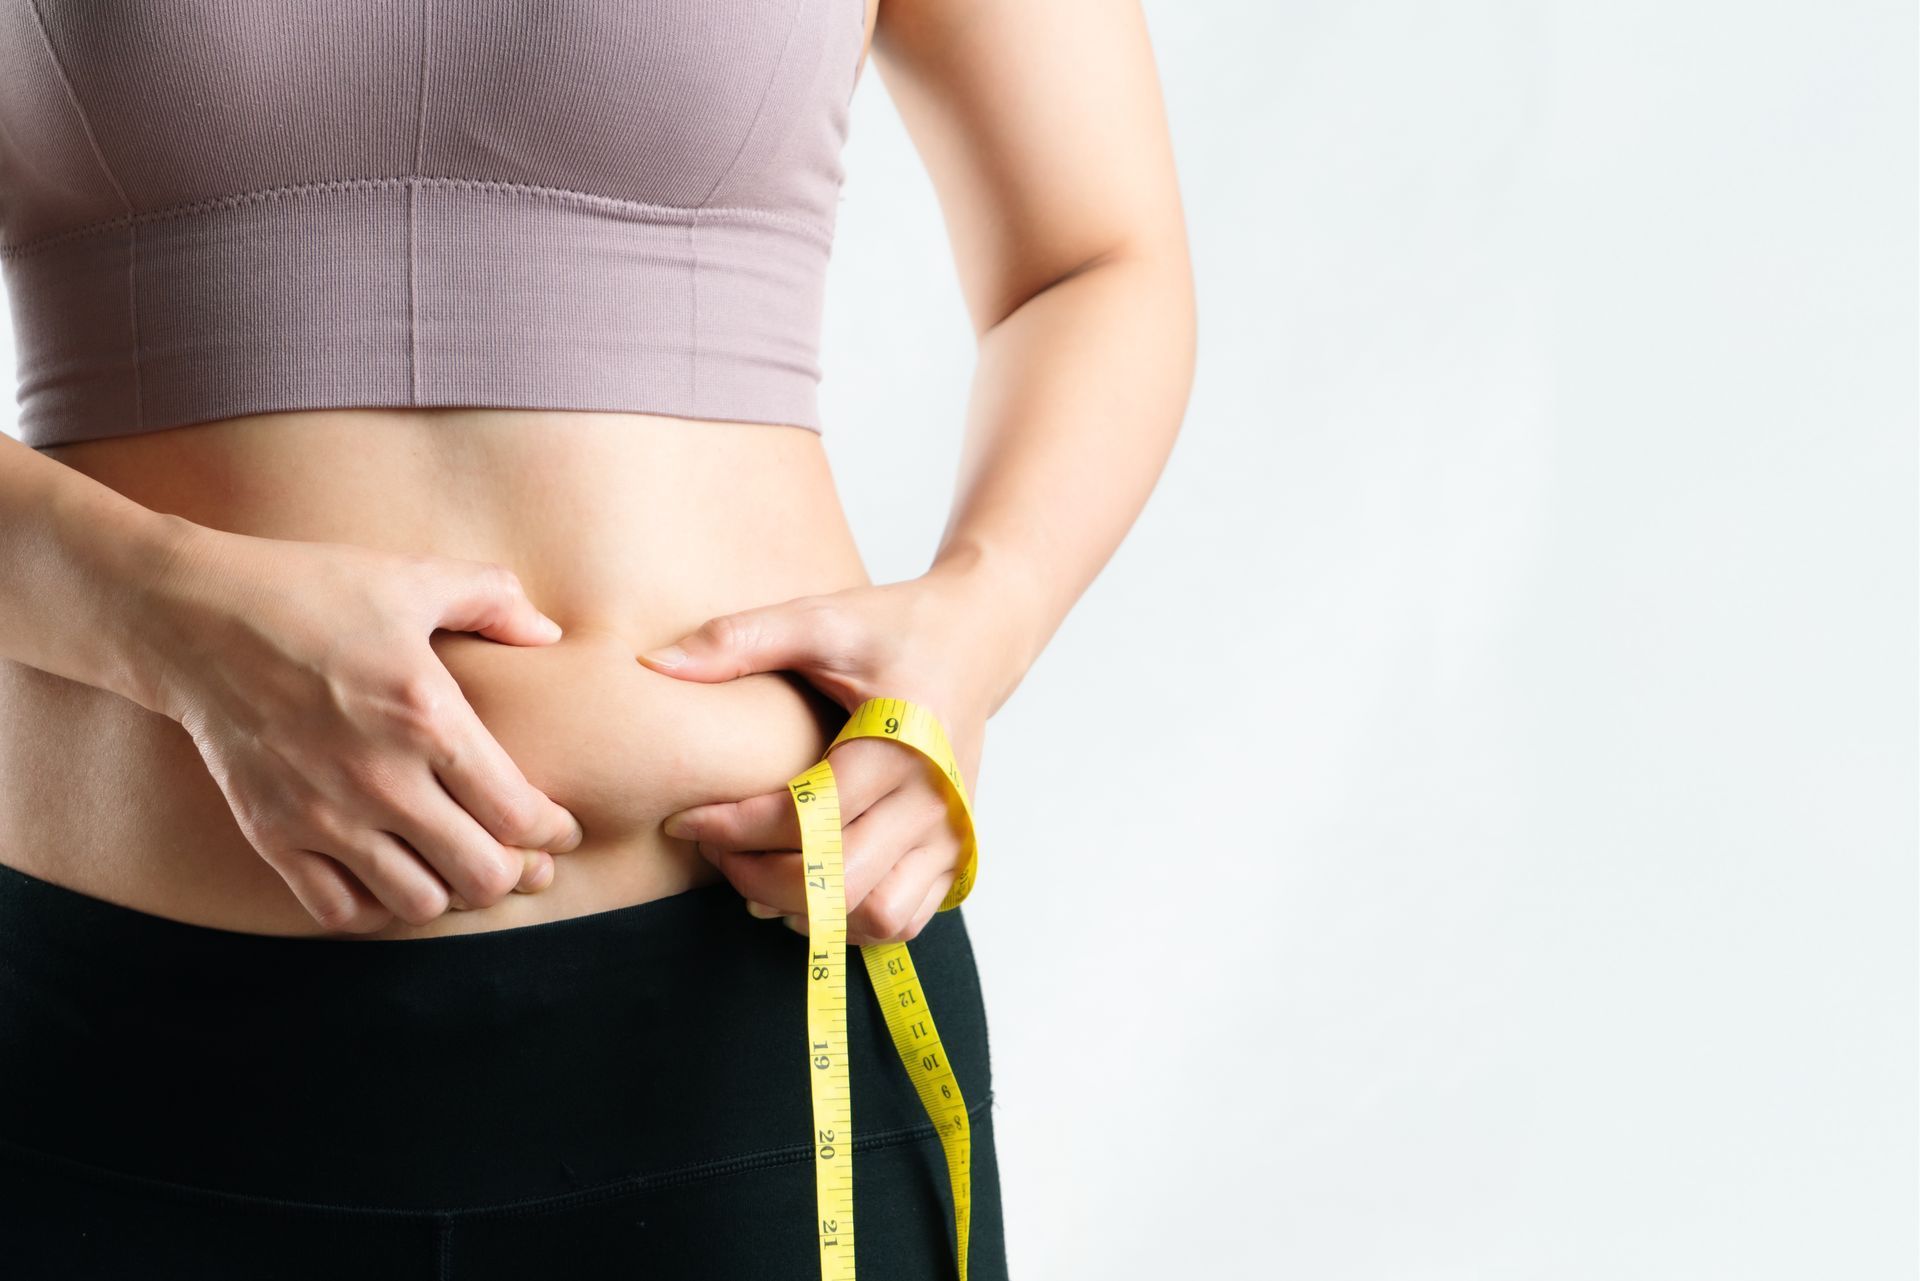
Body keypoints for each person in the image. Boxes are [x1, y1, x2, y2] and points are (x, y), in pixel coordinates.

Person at [0, 0, 1194, 1276]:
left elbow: (1095, 257)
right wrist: (162, 609)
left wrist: (982, 620)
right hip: (108, 1059)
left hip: (756, 1026)